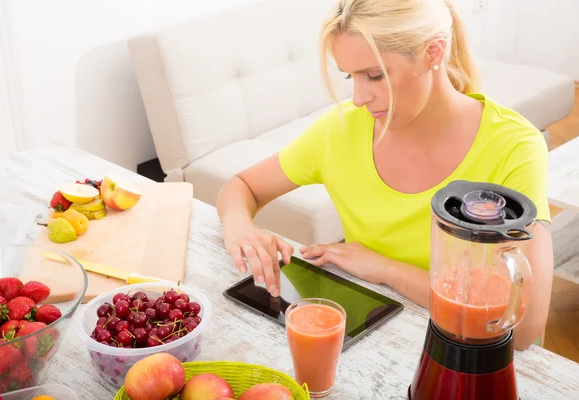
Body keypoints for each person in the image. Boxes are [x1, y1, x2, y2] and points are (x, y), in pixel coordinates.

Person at [216, 0, 553, 350]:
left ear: (432, 53)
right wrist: (241, 227)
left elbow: (524, 328)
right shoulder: (340, 130)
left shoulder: (514, 147)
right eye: (351, 76)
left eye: (375, 75)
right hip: (374, 339)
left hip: (473, 354)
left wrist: (387, 270)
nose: (359, 97)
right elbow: (241, 187)